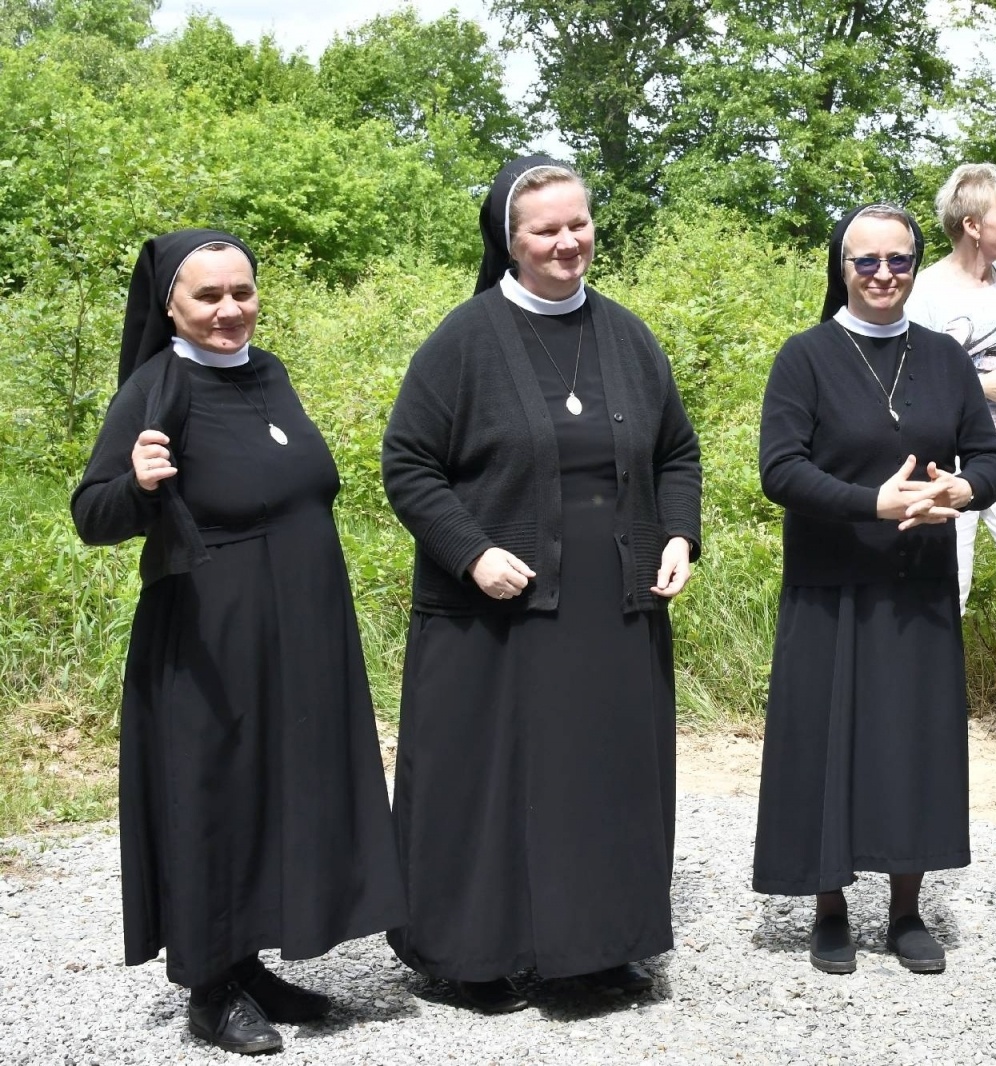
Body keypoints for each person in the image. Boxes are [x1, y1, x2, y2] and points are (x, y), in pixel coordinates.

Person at [71, 229, 405, 1055]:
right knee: (215, 794)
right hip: (211, 635)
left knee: (280, 789)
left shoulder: (268, 371)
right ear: (171, 306)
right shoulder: (157, 388)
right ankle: (210, 990)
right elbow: (92, 515)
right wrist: (140, 485)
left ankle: (249, 962)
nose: (230, 311)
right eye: (209, 297)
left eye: (242, 293)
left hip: (302, 628)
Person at [382, 156, 702, 1011]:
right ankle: (471, 957)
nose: (568, 243)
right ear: (509, 241)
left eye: (578, 224)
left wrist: (678, 534)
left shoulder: (628, 334)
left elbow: (676, 450)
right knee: (487, 779)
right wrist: (472, 550)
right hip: (500, 603)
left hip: (613, 599)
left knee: (604, 776)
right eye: (545, 230)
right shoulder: (465, 338)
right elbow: (408, 464)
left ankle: (596, 949)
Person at [752, 203, 996, 976]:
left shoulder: (943, 358)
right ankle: (829, 908)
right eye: (866, 262)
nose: (883, 276)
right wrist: (873, 501)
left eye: (898, 261)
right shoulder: (806, 356)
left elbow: (990, 459)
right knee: (829, 743)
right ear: (841, 267)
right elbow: (780, 469)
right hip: (830, 582)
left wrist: (961, 492)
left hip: (917, 584)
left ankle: (905, 909)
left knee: (913, 745)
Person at [905, 163, 996, 751]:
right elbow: (908, 378)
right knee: (948, 590)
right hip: (949, 469)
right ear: (972, 224)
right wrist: (982, 386)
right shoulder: (925, 292)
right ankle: (928, 708)